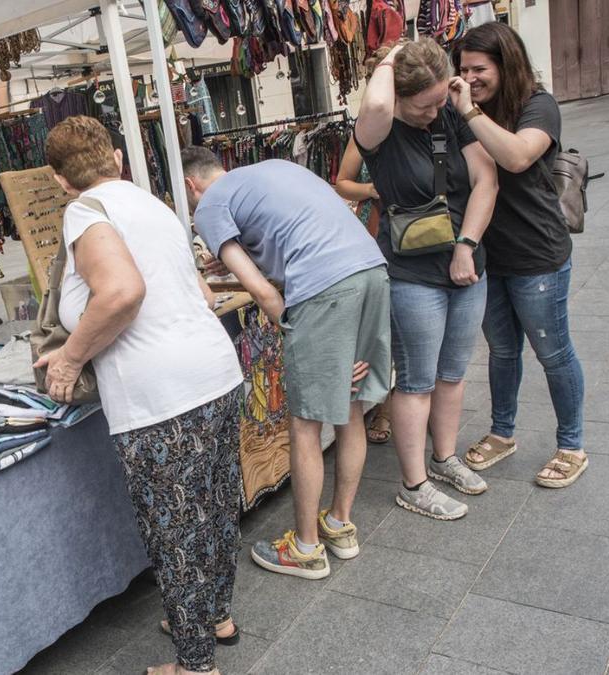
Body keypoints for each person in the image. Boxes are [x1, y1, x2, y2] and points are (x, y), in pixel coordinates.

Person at [37, 116, 244, 675]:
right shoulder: (152, 205)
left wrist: (72, 356)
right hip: (215, 373)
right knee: (216, 511)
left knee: (175, 529)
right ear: (118, 158)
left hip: (163, 396)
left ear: (59, 179)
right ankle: (214, 617)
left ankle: (195, 665)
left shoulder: (85, 211)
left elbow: (123, 292)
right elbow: (199, 291)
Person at [182, 146, 390, 581]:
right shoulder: (272, 169)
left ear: (190, 185)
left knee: (305, 424)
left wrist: (291, 323)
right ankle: (339, 525)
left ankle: (306, 549)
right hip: (370, 269)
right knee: (350, 405)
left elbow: (262, 290)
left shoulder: (210, 206)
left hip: (325, 288)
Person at [354, 39, 499, 520]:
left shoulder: (451, 114)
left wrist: (467, 245)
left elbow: (487, 180)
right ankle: (414, 484)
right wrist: (394, 55)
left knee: (453, 372)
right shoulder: (379, 129)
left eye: (442, 98)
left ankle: (445, 458)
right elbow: (375, 100)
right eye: (427, 103)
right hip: (411, 273)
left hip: (467, 265)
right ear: (398, 94)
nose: (437, 110)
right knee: (416, 380)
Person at [450, 23, 588, 488]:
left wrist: (468, 112)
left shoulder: (538, 106)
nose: (469, 78)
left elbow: (516, 158)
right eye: (463, 69)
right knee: (503, 352)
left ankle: (571, 445)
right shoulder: (469, 110)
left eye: (479, 69)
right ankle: (502, 432)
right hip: (492, 257)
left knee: (553, 352)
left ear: (506, 65)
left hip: (538, 256)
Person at [335, 63, 392, 445]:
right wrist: (372, 190)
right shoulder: (364, 134)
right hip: (378, 232)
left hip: (429, 234)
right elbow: (340, 184)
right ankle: (384, 409)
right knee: (383, 326)